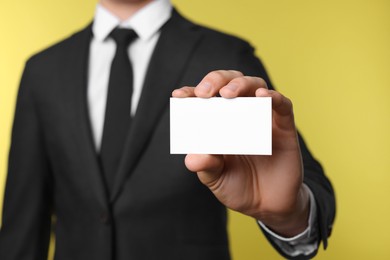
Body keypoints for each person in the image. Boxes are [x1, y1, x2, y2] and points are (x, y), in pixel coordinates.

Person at [0, 0, 335, 259]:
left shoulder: (225, 54)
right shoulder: (42, 71)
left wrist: (288, 214)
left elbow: (306, 186)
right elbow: (22, 227)